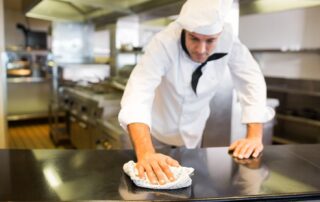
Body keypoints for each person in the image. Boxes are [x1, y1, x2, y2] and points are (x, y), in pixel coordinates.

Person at [118, 0, 275, 185]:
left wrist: (254, 136)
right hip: (153, 134)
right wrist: (146, 153)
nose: (201, 50)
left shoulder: (228, 38)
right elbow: (139, 90)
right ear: (184, 30)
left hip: (193, 136)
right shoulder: (164, 41)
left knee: (193, 189)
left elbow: (251, 79)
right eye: (194, 38)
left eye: (210, 41)